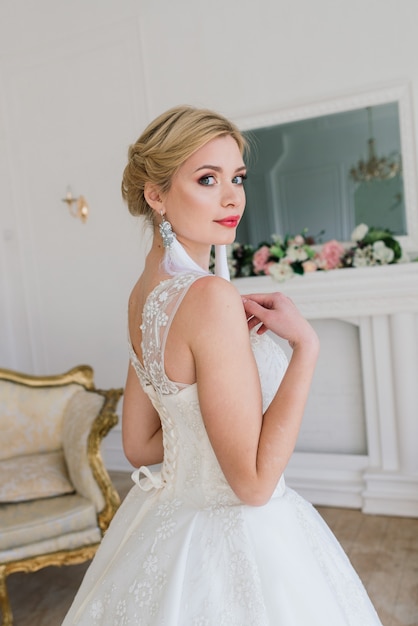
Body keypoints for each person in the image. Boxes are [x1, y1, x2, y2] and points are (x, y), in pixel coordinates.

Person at [62, 105, 382, 625]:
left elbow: (139, 445)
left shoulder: (144, 294)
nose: (233, 196)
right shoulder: (208, 298)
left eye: (237, 178)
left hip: (166, 522)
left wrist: (208, 419)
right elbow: (254, 486)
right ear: (156, 194)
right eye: (207, 179)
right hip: (238, 534)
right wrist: (306, 348)